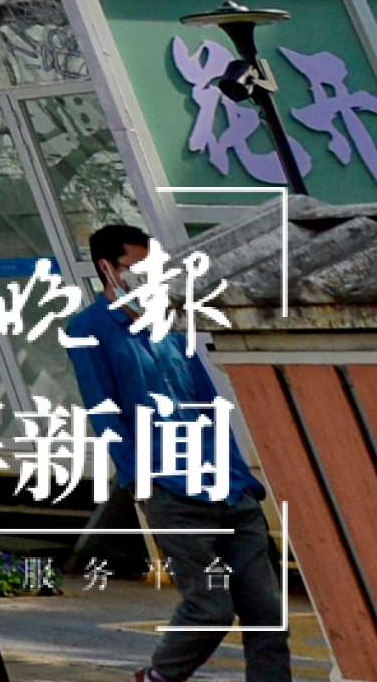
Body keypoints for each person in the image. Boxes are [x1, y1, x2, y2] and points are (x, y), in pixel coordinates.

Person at [76, 219, 289, 682]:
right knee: (210, 607)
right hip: (172, 492)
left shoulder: (173, 323)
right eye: (138, 267)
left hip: (230, 489)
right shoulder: (89, 330)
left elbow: (210, 405)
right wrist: (140, 480)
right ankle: (160, 677)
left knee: (268, 615)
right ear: (108, 269)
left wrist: (242, 476)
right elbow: (104, 413)